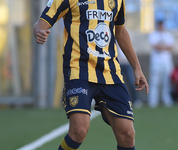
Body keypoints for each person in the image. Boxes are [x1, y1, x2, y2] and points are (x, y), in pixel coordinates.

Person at [33, 0, 149, 150]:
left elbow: (120, 31)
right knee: (79, 130)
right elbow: (41, 23)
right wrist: (39, 32)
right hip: (79, 71)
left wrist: (137, 68)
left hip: (110, 72)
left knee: (127, 133)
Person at [148, 20, 174, 108]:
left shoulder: (168, 35)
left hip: (166, 61)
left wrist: (162, 47)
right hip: (156, 62)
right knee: (154, 81)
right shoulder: (153, 34)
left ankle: (166, 100)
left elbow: (171, 46)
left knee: (166, 81)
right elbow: (155, 46)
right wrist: (163, 47)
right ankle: (153, 101)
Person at [117, 42, 143, 108]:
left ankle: (136, 99)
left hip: (127, 62)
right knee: (118, 82)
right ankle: (120, 100)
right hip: (117, 62)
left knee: (132, 81)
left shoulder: (127, 35)